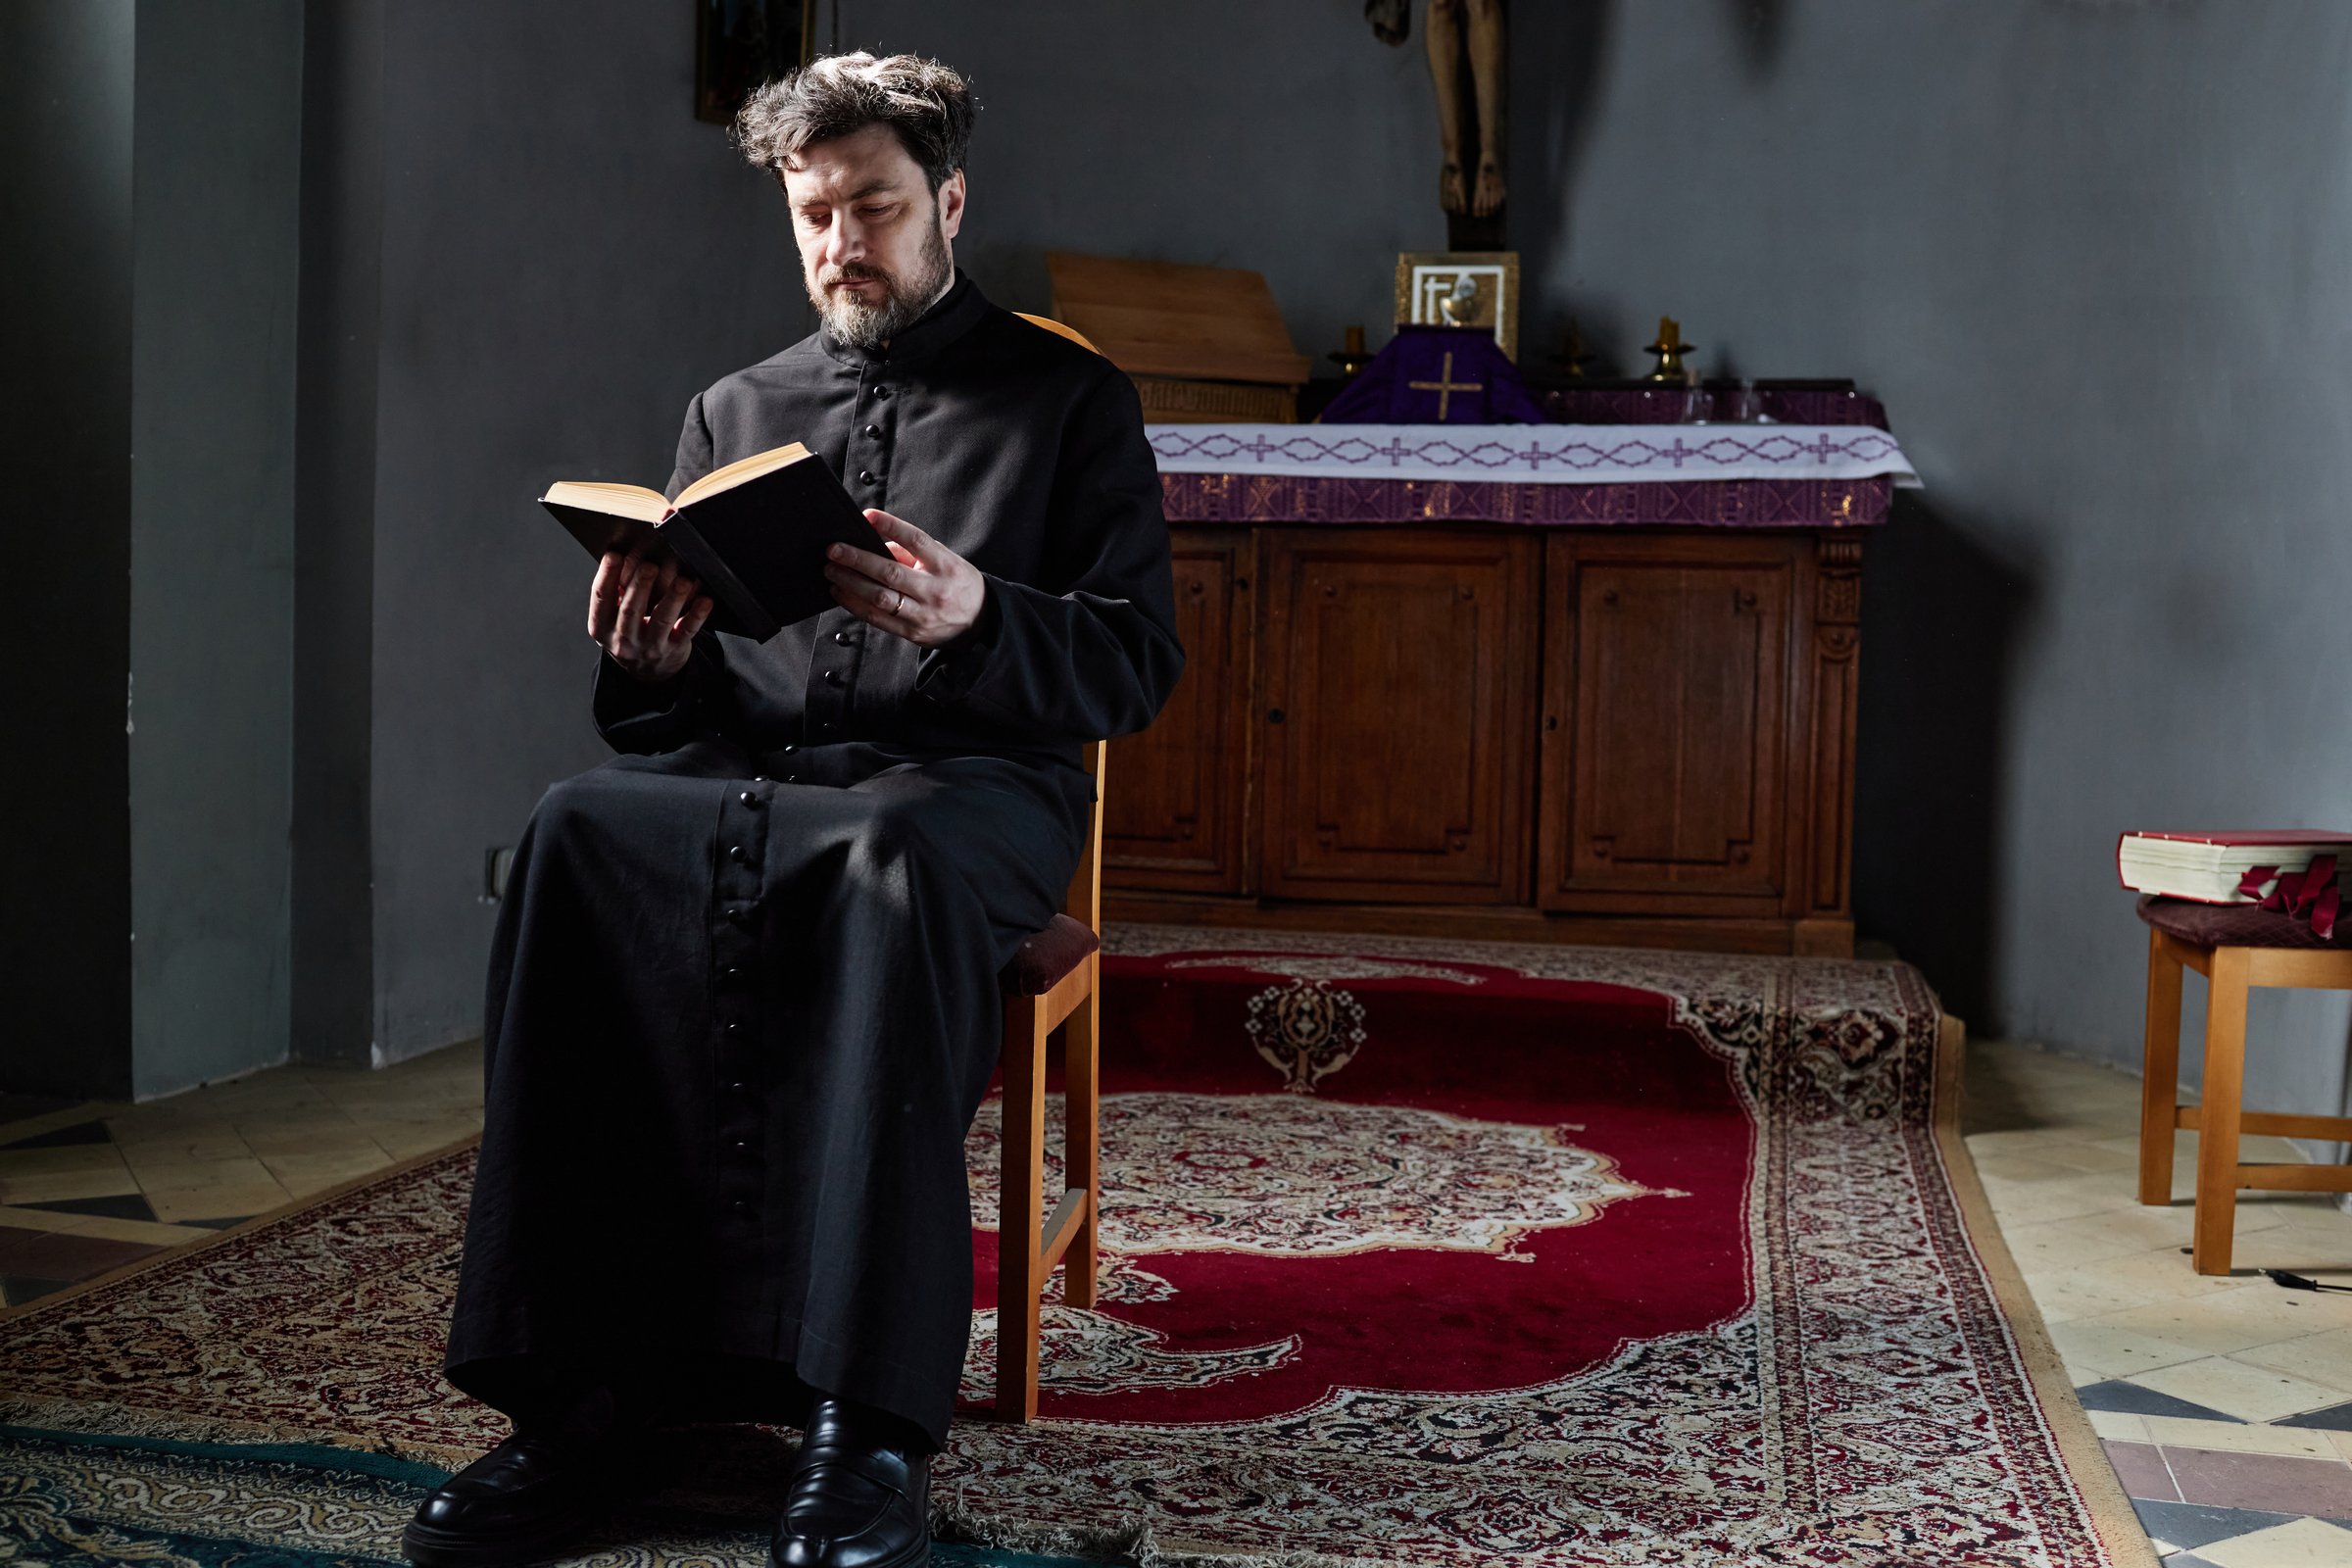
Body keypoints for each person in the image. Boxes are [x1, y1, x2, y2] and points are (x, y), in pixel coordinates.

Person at [402, 52, 1183, 1568]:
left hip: (975, 794)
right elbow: (679, 717)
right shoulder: (738, 409)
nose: (842, 243)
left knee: (883, 856)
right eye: (814, 214)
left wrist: (979, 616)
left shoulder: (1071, 401)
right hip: (766, 777)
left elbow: (1136, 663)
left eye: (874, 207)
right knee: (576, 828)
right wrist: (650, 664)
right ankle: (580, 1403)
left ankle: (866, 1426)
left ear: (949, 202)